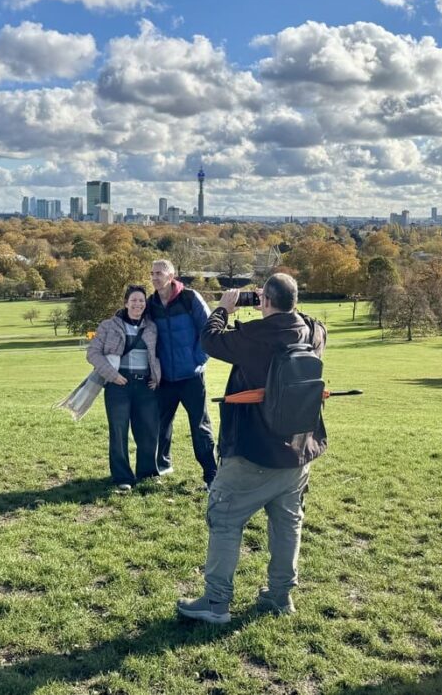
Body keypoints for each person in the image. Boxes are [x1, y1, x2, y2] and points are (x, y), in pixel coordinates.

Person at [177, 273, 327, 624]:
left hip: (252, 451)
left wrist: (224, 309)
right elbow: (311, 322)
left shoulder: (255, 337)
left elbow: (210, 340)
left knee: (225, 519)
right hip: (297, 451)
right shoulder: (313, 333)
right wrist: (278, 301)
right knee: (288, 524)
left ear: (265, 302)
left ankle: (216, 603)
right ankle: (279, 596)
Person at [147, 260, 218, 486]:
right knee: (160, 423)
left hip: (191, 377)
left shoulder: (190, 298)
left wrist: (198, 360)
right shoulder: (151, 304)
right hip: (165, 379)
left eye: (159, 273)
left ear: (171, 275)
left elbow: (209, 330)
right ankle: (162, 465)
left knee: (200, 426)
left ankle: (211, 476)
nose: (154, 277)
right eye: (152, 273)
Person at [86, 285, 162, 493]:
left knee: (148, 430)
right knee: (119, 431)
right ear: (126, 303)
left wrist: (156, 377)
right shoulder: (109, 326)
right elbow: (93, 353)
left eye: (141, 301)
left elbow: (157, 355)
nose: (138, 304)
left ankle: (147, 472)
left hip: (145, 385)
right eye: (134, 300)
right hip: (119, 385)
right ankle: (122, 476)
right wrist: (113, 375)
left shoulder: (152, 327)